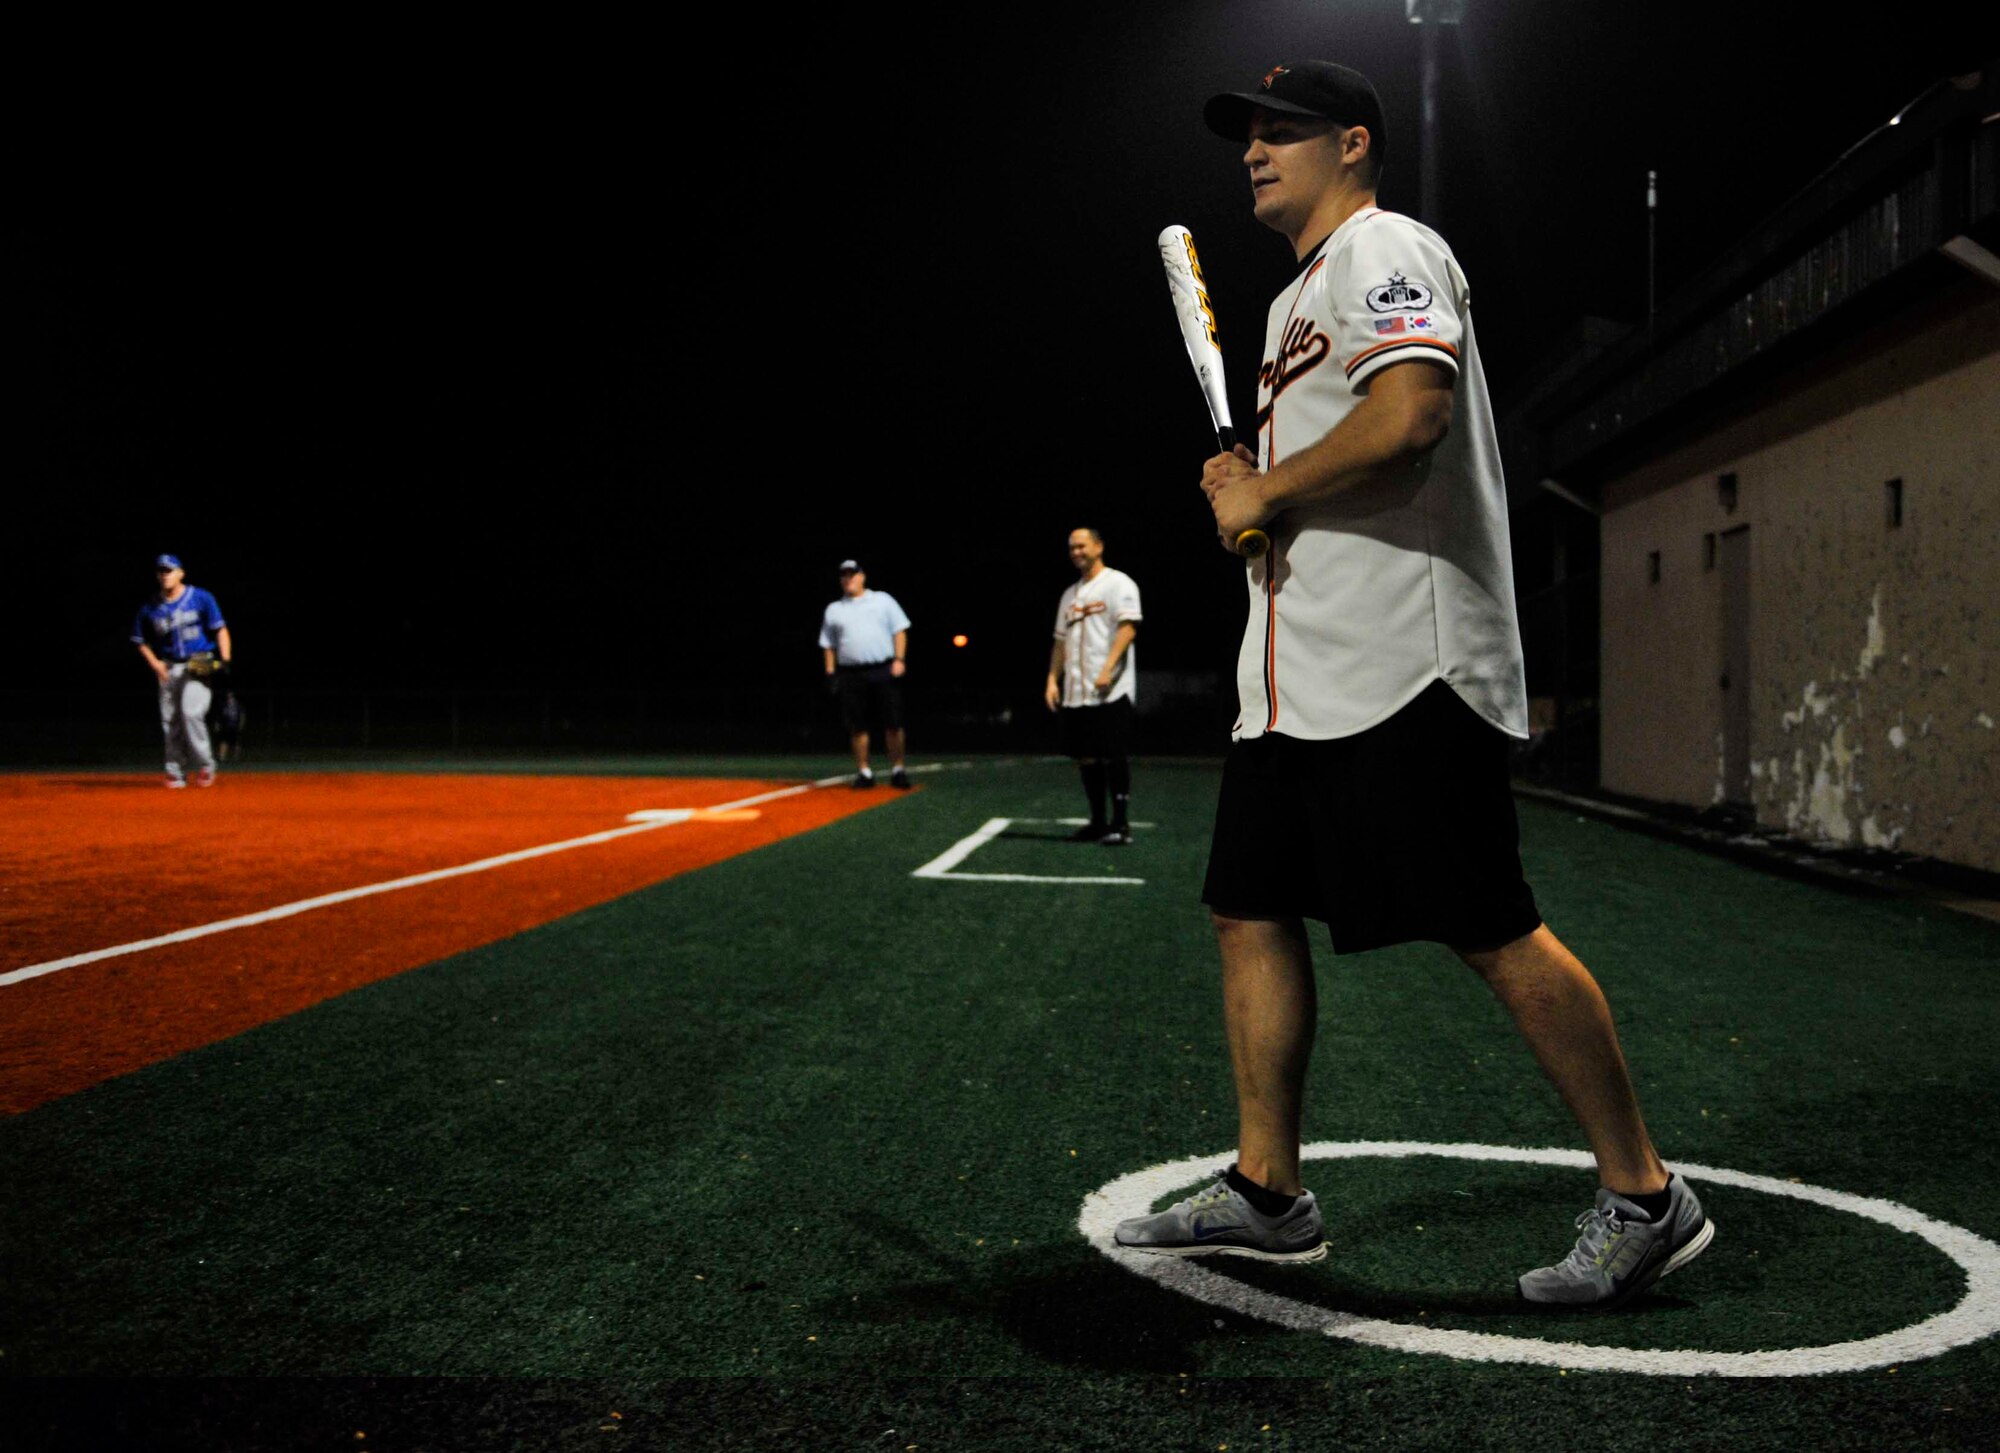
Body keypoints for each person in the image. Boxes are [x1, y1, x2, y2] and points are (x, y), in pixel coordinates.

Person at [1115, 61, 1712, 1310]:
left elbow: (1409, 417)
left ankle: (1647, 1196)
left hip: (1406, 668)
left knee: (1489, 927)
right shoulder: (1290, 303)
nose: (1251, 152)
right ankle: (1268, 1194)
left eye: (1280, 133)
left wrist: (1261, 490)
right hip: (1295, 677)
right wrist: (1255, 483)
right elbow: (1329, 464)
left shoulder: (1387, 248)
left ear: (1353, 141)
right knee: (1247, 907)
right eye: (1245, 137)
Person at [1043, 528, 1143, 845]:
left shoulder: (1118, 583)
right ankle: (1098, 822)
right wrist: (1051, 679)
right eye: (1071, 547)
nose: (1076, 552)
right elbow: (1060, 642)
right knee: (1085, 756)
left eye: (1081, 546)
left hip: (1110, 688)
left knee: (1113, 754)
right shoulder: (1070, 595)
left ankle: (1121, 824)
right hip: (1076, 691)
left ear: (1099, 547)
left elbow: (1128, 628)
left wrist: (1108, 668)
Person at [132, 554, 232, 789]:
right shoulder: (151, 607)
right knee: (171, 721)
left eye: (169, 570)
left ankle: (205, 765)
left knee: (190, 713)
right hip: (168, 667)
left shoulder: (200, 598)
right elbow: (138, 639)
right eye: (161, 571)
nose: (165, 575)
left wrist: (225, 659)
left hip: (197, 664)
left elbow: (220, 628)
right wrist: (155, 664)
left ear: (181, 573)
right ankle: (175, 771)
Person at [819, 560, 913, 789]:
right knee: (857, 724)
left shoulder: (882, 600)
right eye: (844, 575)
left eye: (852, 574)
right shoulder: (835, 609)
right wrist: (830, 672)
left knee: (893, 721)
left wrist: (899, 659)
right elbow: (828, 644)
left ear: (862, 576)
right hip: (851, 673)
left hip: (882, 668)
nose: (848, 578)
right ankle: (864, 772)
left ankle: (898, 769)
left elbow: (899, 630)